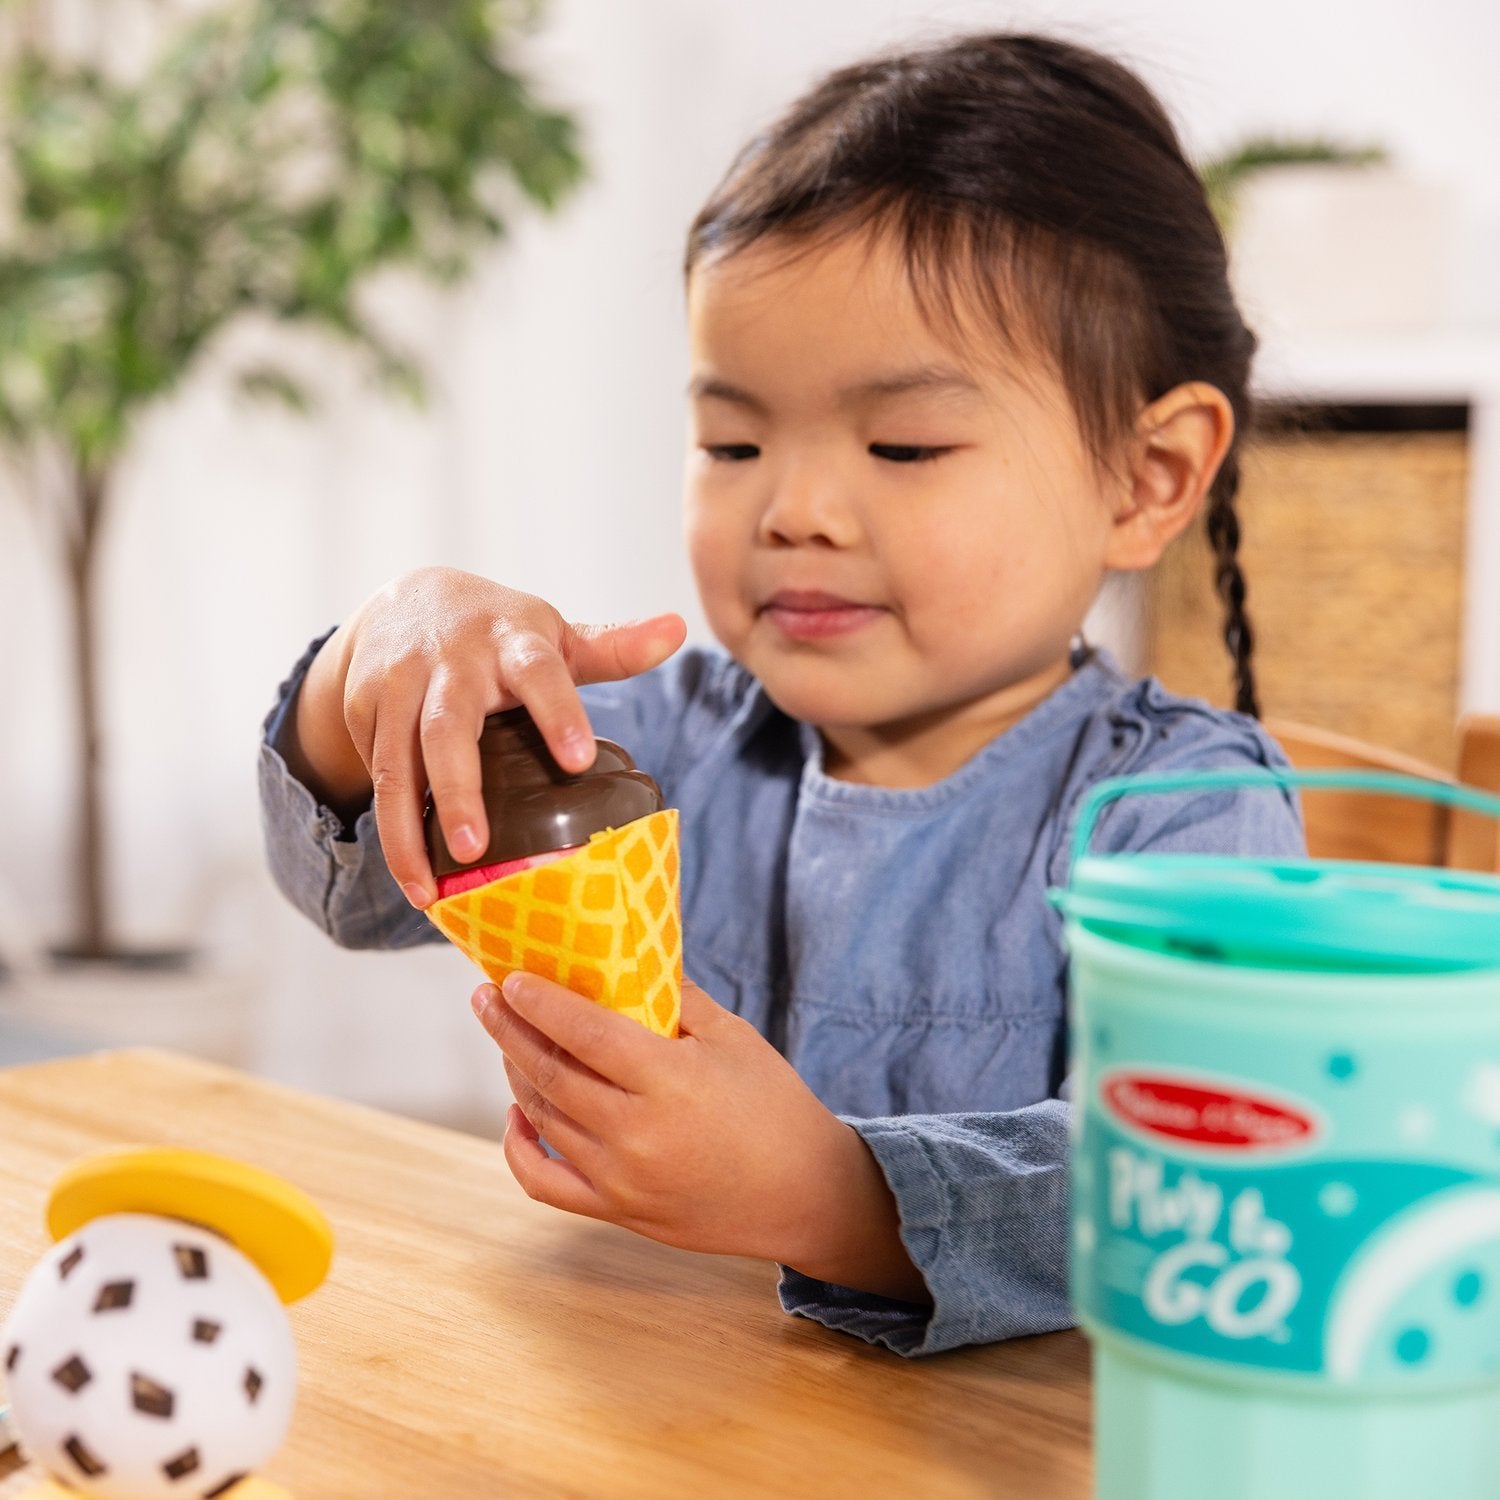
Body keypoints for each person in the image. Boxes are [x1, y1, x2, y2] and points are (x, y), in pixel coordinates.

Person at [259, 31, 1304, 1356]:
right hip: (662, 1411)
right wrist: (379, 655)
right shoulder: (663, 743)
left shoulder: (1184, 812)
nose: (794, 509)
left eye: (904, 443)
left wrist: (831, 1196)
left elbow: (1196, 1189)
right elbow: (353, 889)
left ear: (1149, 477)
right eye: (731, 441)